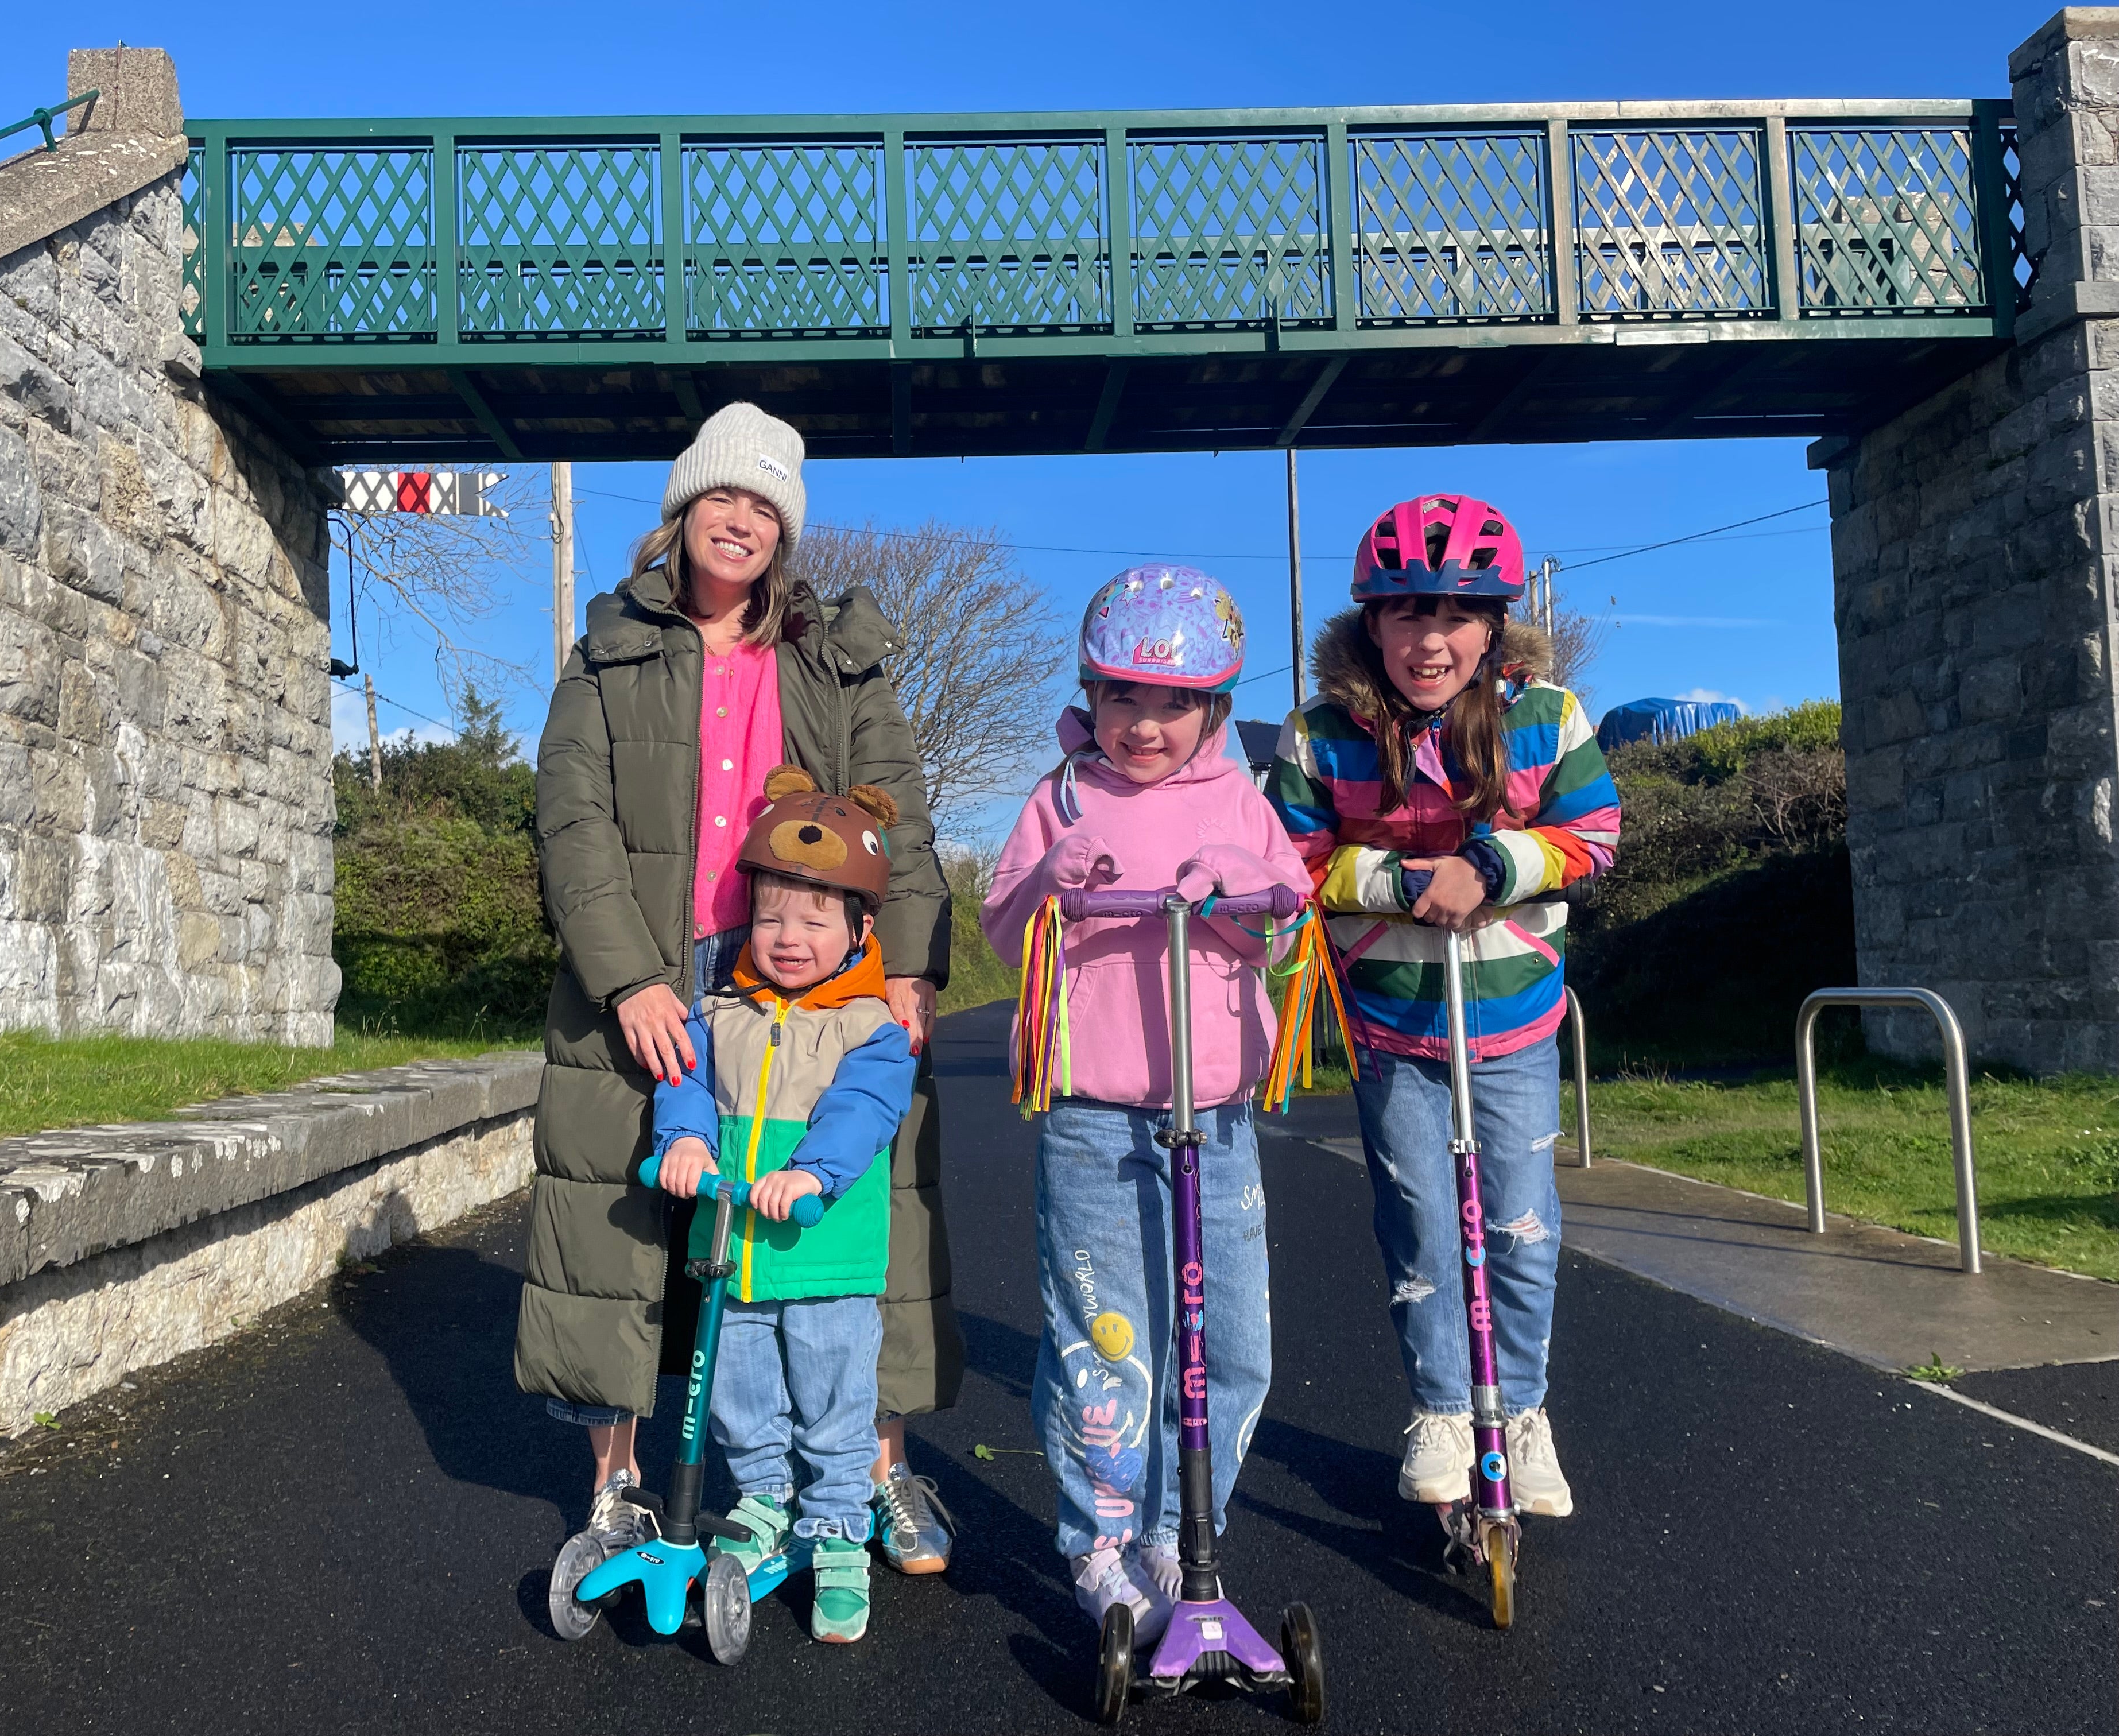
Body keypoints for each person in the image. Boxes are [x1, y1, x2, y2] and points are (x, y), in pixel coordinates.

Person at [517, 403, 963, 1582]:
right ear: (684, 508)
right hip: (658, 971)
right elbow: (573, 821)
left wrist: (909, 968)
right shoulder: (609, 648)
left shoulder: (835, 655)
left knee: (863, 1215)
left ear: (786, 534)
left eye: (767, 506)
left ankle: (876, 1469)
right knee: (615, 1222)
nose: (744, 520)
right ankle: (618, 1485)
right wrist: (628, 981)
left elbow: (899, 819)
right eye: (727, 496)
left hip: (827, 971)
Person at [1266, 491, 1620, 1517]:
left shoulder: (1545, 717)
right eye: (1408, 613)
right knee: (1420, 1216)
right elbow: (1289, 861)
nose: (1432, 640)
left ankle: (1523, 1411)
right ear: (1370, 624)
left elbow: (1593, 835)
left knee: (1518, 1221)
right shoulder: (1321, 732)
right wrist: (1391, 884)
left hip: (1512, 1010)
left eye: (1458, 614)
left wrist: (1490, 862)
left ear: (1494, 626)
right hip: (1391, 1013)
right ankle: (1440, 1407)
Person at [979, 566, 1311, 1637]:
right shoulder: (1059, 797)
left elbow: (1285, 926)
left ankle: (1180, 1530)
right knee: (1109, 1338)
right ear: (1092, 694)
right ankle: (1103, 1542)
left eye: (1175, 704)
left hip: (1215, 1112)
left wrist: (1245, 890)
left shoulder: (1240, 797)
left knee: (1232, 1340)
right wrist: (1053, 881)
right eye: (1124, 697)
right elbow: (1002, 930)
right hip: (1093, 1110)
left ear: (1214, 709)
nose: (1146, 724)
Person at [654, 769, 917, 1644]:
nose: (789, 937)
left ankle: (840, 1526)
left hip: (824, 1252)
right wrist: (683, 1142)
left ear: (859, 929)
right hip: (731, 1252)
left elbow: (863, 1114)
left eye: (813, 920)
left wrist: (811, 1174)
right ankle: (766, 1501)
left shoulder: (870, 1027)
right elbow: (685, 1084)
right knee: (736, 1389)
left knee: (836, 1397)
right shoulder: (718, 1008)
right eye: (771, 918)